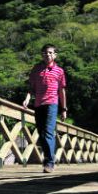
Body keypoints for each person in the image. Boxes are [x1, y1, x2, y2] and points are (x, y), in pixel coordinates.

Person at [22, 44, 67, 173]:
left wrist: (64, 109)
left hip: (52, 104)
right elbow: (31, 87)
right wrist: (27, 99)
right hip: (38, 104)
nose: (47, 55)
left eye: (50, 53)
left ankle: (49, 162)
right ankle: (48, 159)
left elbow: (62, 91)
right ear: (41, 55)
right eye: (45, 53)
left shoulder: (60, 71)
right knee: (41, 134)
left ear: (55, 55)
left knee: (47, 132)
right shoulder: (36, 69)